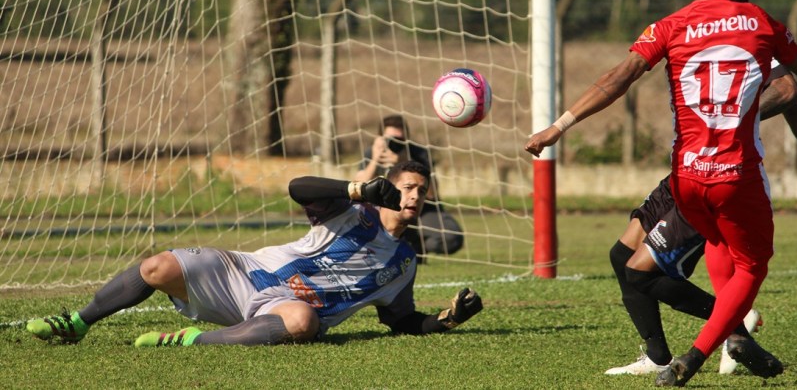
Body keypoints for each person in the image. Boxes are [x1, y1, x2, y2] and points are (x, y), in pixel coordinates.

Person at [525, 0, 797, 387]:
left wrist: (558, 127)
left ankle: (722, 336)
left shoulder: (670, 26)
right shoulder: (760, 23)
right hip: (735, 176)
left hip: (687, 179)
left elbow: (617, 79)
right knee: (752, 264)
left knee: (707, 242)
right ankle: (698, 353)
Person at [25, 161, 483, 347]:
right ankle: (78, 322)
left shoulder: (403, 262)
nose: (415, 196)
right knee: (156, 267)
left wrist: (446, 321)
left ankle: (185, 341)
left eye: (422, 191)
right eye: (408, 187)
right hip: (247, 272)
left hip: (288, 308)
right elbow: (297, 187)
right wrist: (357, 187)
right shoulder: (351, 211)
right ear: (390, 187)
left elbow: (399, 320)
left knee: (304, 323)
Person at [606, 0, 797, 377]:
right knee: (621, 255)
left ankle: (731, 325)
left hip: (723, 170)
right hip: (686, 167)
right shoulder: (706, 28)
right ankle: (678, 348)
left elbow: (788, 89)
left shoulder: (750, 32)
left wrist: (737, 119)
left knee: (639, 271)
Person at [356, 114, 464, 257]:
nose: (395, 143)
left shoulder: (418, 153)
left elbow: (432, 193)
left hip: (422, 210)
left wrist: (406, 162)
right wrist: (375, 160)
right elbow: (359, 186)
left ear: (407, 137)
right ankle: (400, 242)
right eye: (390, 138)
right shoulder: (373, 152)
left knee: (452, 238)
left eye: (399, 139)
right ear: (380, 137)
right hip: (387, 211)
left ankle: (416, 244)